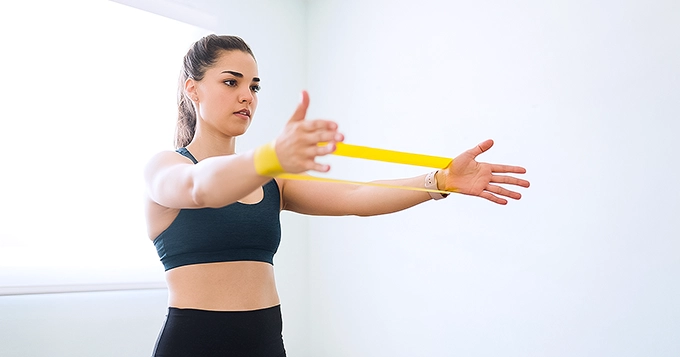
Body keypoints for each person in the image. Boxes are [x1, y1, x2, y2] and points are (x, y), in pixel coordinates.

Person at [145, 34, 530, 357]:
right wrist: (269, 156)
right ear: (192, 88)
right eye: (232, 82)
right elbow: (201, 187)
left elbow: (357, 196)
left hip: (265, 342)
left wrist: (439, 181)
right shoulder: (166, 168)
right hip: (192, 344)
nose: (247, 95)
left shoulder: (271, 180)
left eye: (254, 86)